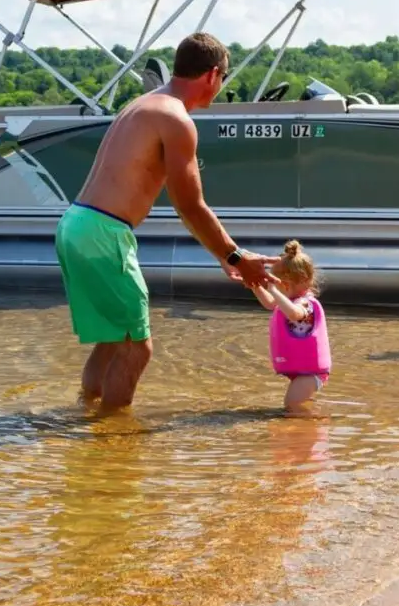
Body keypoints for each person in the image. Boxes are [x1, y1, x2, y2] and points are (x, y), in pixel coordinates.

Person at [55, 31, 277, 411]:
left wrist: (225, 257)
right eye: (222, 80)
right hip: (103, 232)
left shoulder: (145, 103)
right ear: (212, 75)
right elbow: (190, 205)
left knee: (114, 338)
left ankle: (85, 411)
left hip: (76, 223)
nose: (220, 88)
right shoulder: (177, 120)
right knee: (138, 347)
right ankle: (111, 443)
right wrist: (237, 256)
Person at [251, 240, 331, 412]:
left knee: (291, 405)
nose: (279, 290)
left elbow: (295, 314)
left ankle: (315, 424)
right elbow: (271, 304)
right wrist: (255, 286)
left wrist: (272, 290)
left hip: (311, 374)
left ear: (303, 280)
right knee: (297, 404)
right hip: (302, 371)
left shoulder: (305, 303)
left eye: (282, 285)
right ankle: (309, 425)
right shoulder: (289, 300)